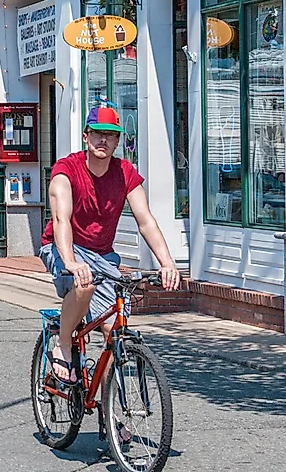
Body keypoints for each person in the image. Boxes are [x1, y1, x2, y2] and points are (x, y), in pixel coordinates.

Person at [41, 103, 181, 388]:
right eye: (97, 133)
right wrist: (69, 261)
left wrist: (167, 262)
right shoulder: (66, 169)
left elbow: (146, 221)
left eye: (111, 134)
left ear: (118, 140)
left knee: (113, 333)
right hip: (63, 247)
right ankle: (64, 344)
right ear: (86, 136)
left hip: (103, 255)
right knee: (84, 284)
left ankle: (110, 413)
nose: (103, 140)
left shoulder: (124, 172)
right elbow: (61, 219)